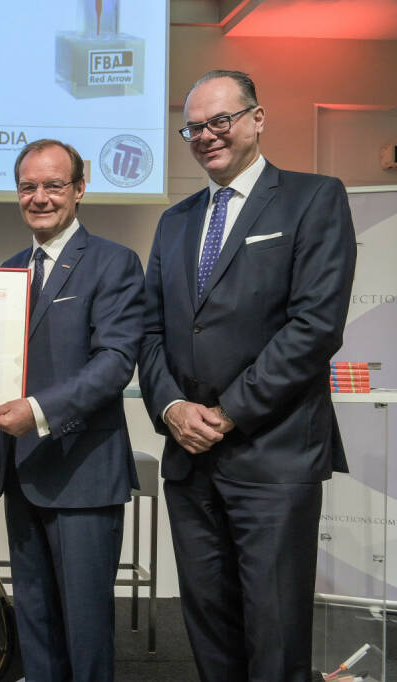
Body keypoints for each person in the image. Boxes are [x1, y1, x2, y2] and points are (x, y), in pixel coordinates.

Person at [138, 70, 357, 682]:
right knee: (210, 631)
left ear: (257, 119)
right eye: (193, 128)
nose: (207, 135)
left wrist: (229, 412)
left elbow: (316, 326)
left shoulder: (313, 198)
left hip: (274, 457)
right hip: (190, 459)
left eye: (220, 120)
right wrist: (172, 408)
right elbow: (150, 333)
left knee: (275, 634)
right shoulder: (175, 220)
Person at [0, 139, 145, 680]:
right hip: (23, 472)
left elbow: (115, 363)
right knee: (36, 626)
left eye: (53, 185)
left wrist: (37, 411)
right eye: (28, 186)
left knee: (85, 631)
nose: (40, 197)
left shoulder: (114, 262)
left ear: (79, 189)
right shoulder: (9, 270)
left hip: (83, 473)